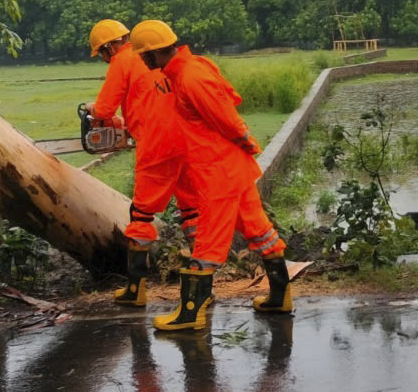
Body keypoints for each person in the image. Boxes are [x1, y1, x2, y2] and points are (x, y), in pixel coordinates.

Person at [129, 20, 294, 332]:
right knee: (260, 232)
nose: (142, 62)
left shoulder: (190, 77)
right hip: (230, 170)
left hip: (219, 172)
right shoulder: (182, 72)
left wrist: (247, 141)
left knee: (207, 243)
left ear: (151, 54)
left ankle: (191, 313)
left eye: (143, 56)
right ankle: (280, 296)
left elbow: (225, 117)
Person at [87, 19, 198, 307]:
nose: (103, 58)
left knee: (141, 215)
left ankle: (137, 288)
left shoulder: (122, 61)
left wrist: (93, 111)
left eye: (102, 52)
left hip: (155, 144)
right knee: (191, 211)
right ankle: (202, 285)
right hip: (185, 139)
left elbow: (105, 108)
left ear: (111, 46)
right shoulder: (155, 56)